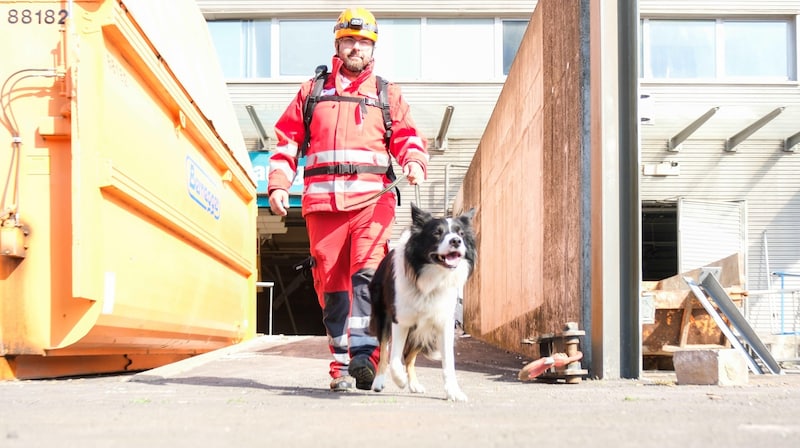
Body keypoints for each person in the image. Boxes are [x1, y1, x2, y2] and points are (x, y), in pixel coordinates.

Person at [268, 7, 429, 392]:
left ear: (373, 49)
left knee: (367, 275)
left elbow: (407, 136)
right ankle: (340, 366)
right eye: (349, 41)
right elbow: (287, 141)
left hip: (373, 203)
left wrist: (414, 161)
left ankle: (365, 357)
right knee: (332, 287)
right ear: (337, 45)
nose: (355, 47)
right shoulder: (312, 92)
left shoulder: (386, 94)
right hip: (323, 207)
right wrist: (277, 183)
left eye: (363, 42)